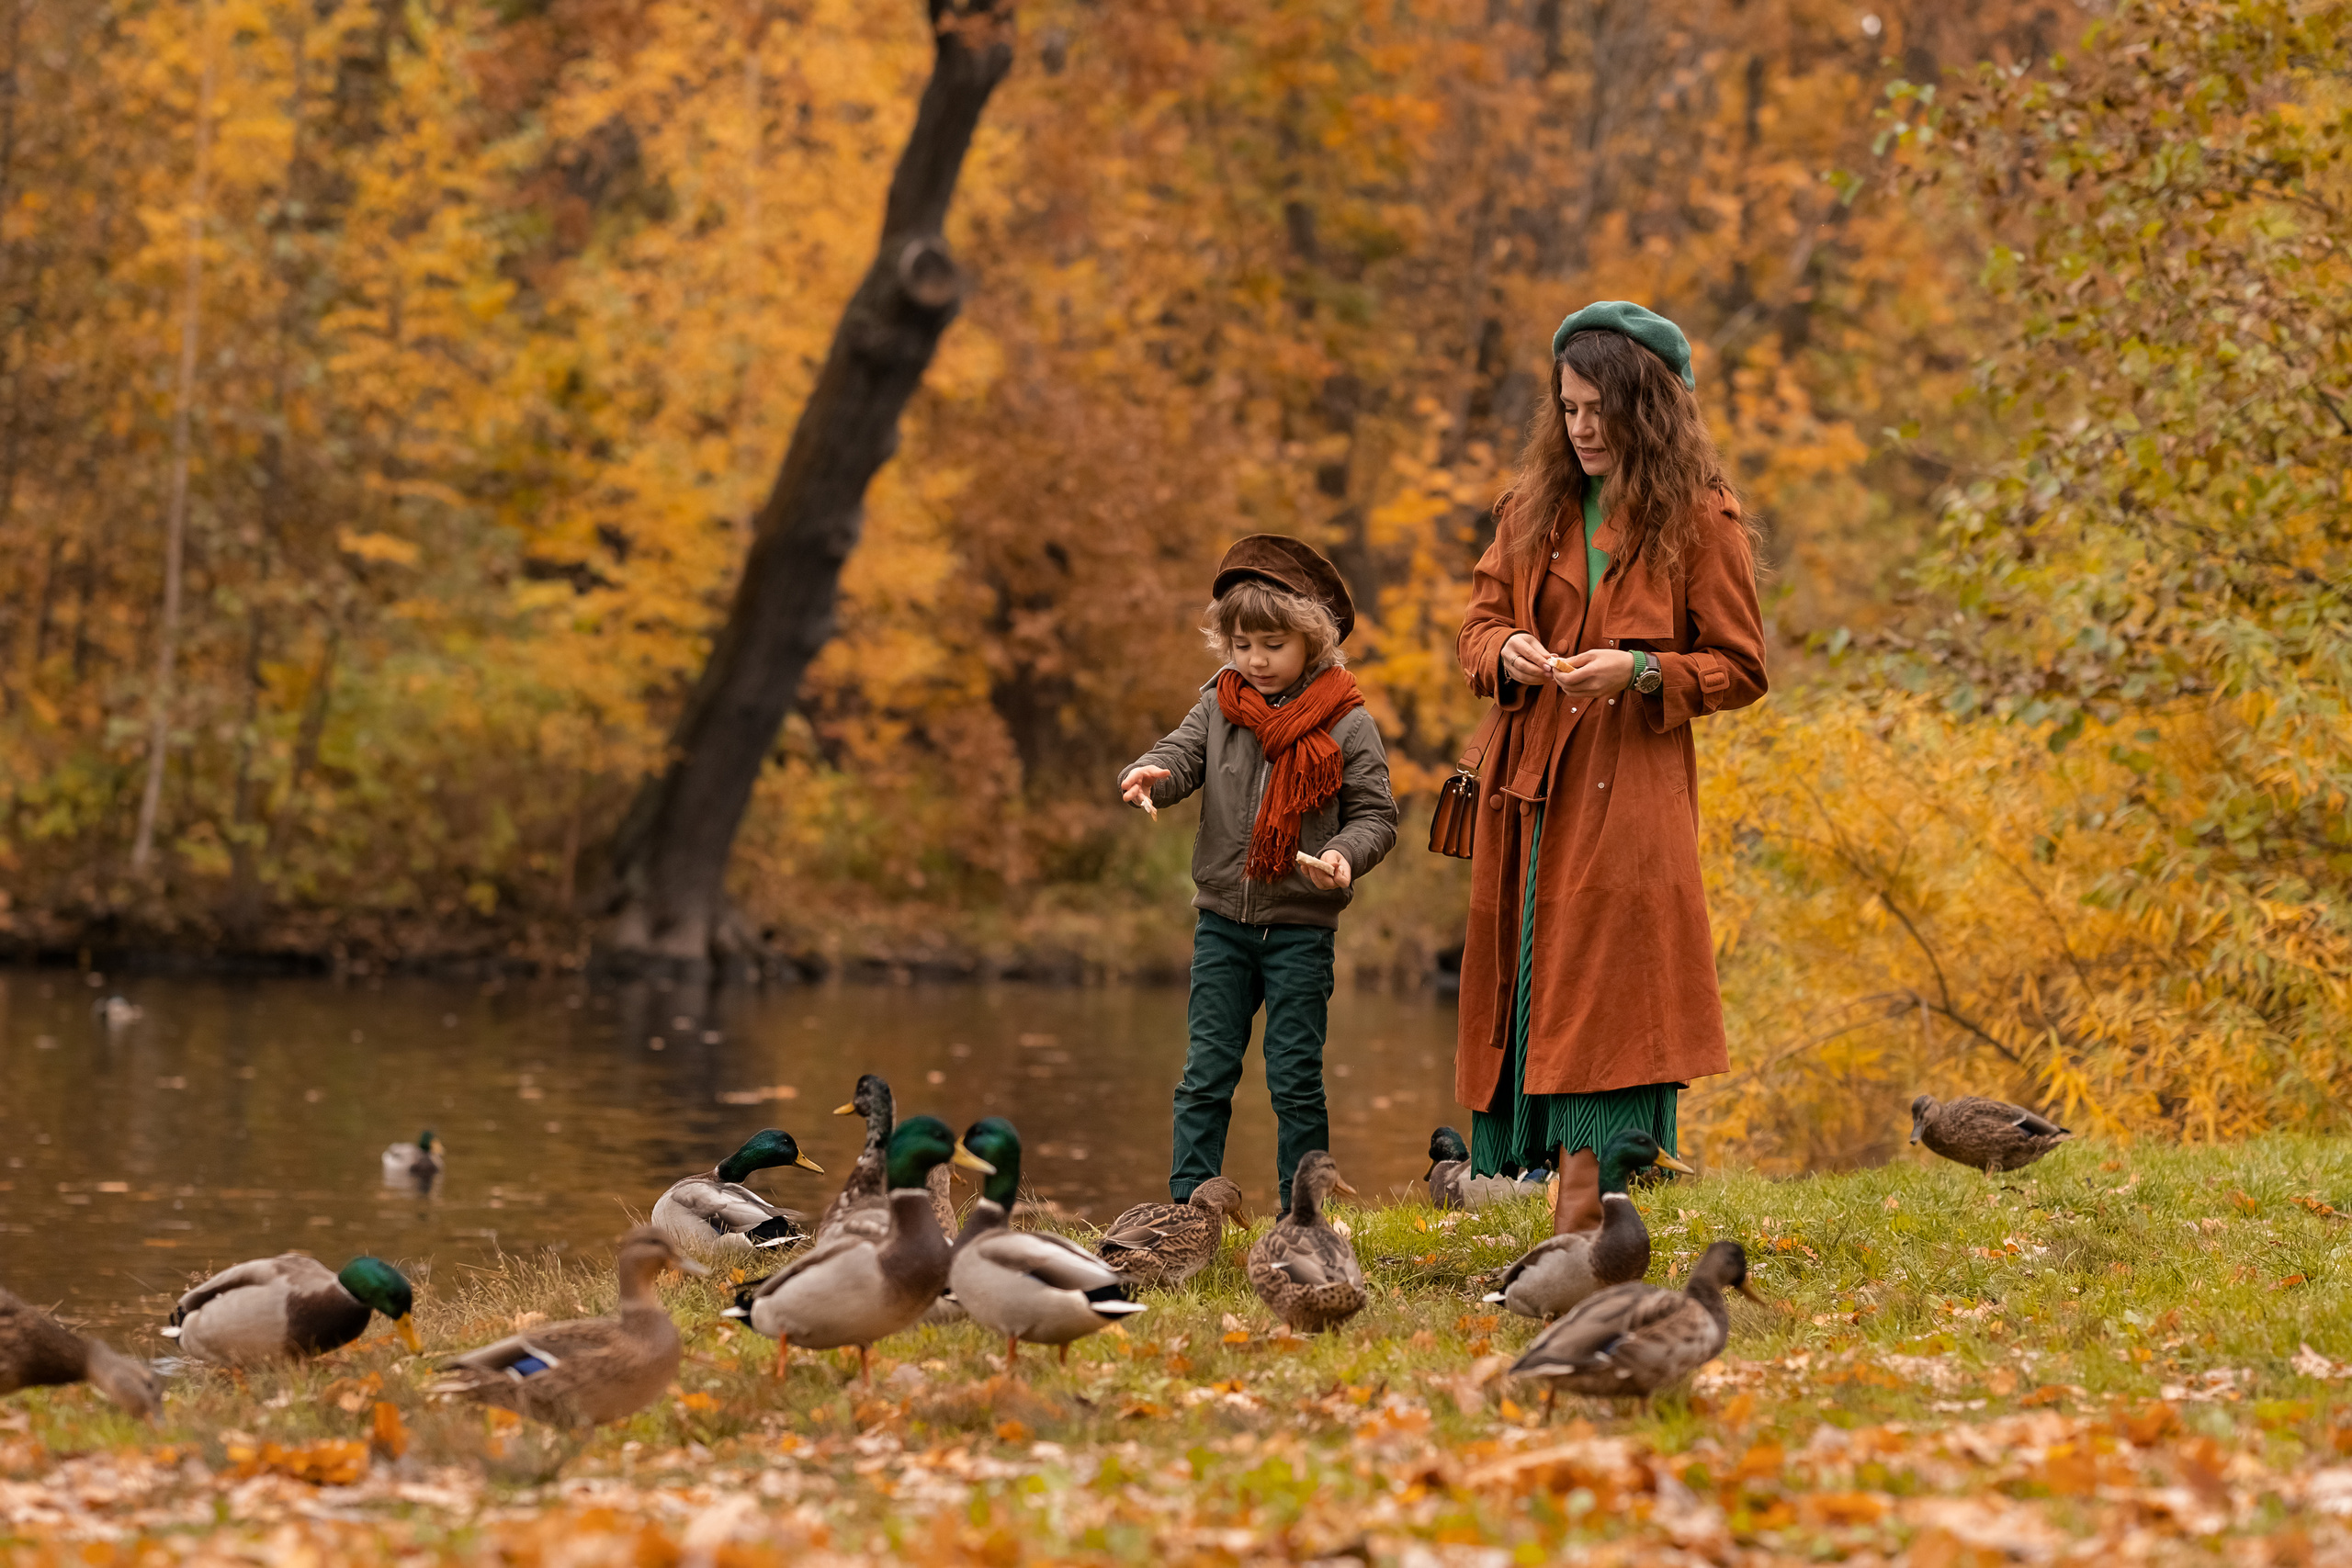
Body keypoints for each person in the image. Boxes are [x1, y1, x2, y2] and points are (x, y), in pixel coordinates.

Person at [1454, 300, 1769, 1235]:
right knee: (1521, 963)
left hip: (1630, 787)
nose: (1582, 429)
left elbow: (1742, 667)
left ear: (1650, 408)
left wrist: (1637, 671)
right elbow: (1472, 625)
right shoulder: (1531, 511)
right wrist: (1503, 647)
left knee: (1613, 974)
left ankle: (1614, 1171)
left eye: (1600, 409)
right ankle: (1512, 1171)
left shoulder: (1700, 520)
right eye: (1568, 408)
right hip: (1527, 785)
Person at [1119, 536, 1400, 1210]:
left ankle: (1303, 1213)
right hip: (1222, 923)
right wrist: (1150, 773)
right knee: (1205, 1073)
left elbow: (1377, 816)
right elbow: (1181, 755)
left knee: (1295, 1078)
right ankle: (1189, 1210)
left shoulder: (1349, 722)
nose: (1256, 659)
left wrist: (1344, 855)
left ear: (1313, 638)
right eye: (1242, 643)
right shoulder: (1220, 704)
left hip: (1300, 929)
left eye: (1272, 643)